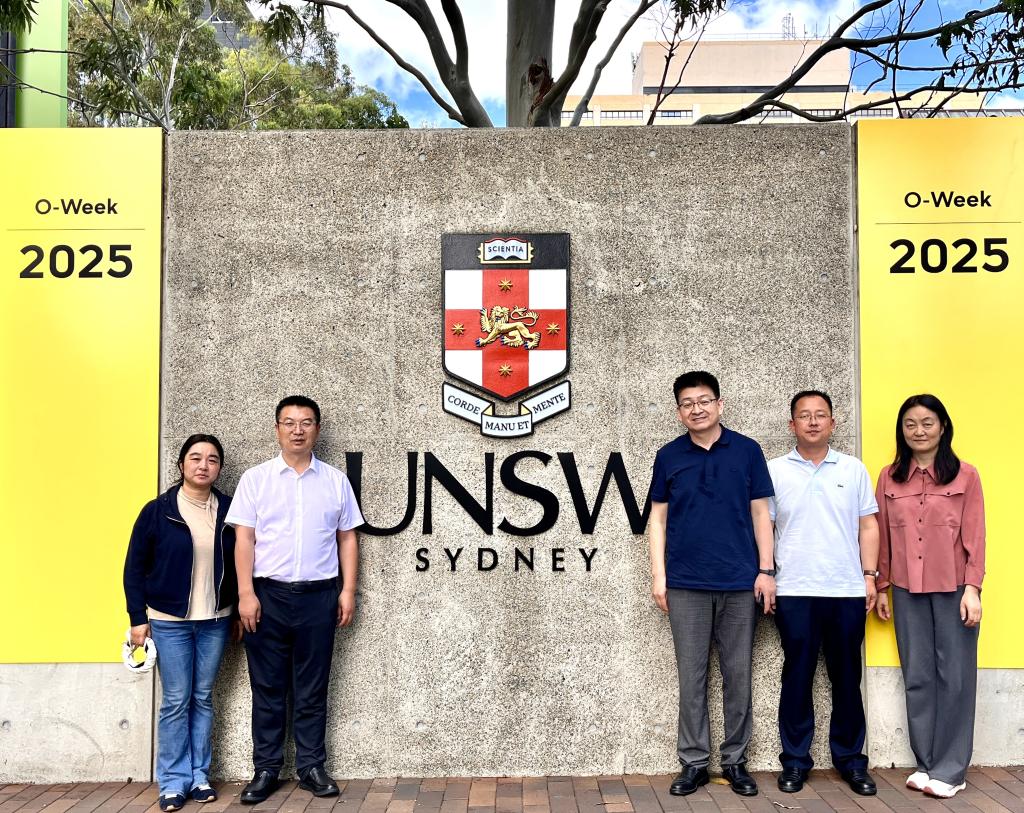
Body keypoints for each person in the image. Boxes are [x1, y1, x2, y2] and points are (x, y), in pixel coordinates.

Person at [228, 395, 363, 804]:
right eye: (289, 422)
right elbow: (244, 540)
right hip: (266, 596)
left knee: (312, 687)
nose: (297, 430)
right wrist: (246, 594)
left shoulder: (335, 481)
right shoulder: (256, 479)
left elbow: (347, 538)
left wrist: (347, 590)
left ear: (317, 430)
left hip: (319, 596)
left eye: (306, 423)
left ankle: (311, 767)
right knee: (267, 687)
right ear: (277, 429)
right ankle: (266, 768)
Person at [648, 371, 776, 797]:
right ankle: (694, 763)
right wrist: (659, 576)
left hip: (740, 582)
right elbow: (658, 520)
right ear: (679, 411)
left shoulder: (747, 451)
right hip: (685, 583)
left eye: (704, 400)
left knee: (738, 675)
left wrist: (766, 570)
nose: (696, 409)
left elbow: (761, 513)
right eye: (687, 403)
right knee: (692, 677)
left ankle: (735, 761)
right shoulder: (669, 456)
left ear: (719, 404)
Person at [767, 391, 879, 796]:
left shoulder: (853, 469)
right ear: (792, 424)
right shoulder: (774, 471)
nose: (812, 422)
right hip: (794, 589)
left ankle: (851, 761)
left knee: (846, 678)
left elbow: (869, 525)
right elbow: (764, 527)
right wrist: (767, 575)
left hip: (846, 589)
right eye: (804, 416)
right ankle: (795, 762)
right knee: (797, 676)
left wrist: (870, 577)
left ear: (833, 422)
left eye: (820, 415)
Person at [875, 394, 984, 799]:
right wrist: (882, 586)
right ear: (901, 430)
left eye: (927, 423)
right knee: (918, 676)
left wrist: (973, 589)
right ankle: (926, 762)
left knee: (954, 677)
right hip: (906, 589)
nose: (918, 431)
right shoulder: (889, 477)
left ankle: (952, 769)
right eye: (910, 424)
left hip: (954, 588)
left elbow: (976, 536)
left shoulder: (966, 476)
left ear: (942, 427)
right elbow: (882, 536)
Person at [123, 434, 238, 813]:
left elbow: (241, 563)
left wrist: (238, 610)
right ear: (181, 464)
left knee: (202, 698)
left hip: (215, 621)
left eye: (212, 459)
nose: (204, 465)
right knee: (176, 700)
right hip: (169, 622)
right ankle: (173, 781)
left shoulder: (230, 510)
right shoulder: (157, 511)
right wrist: (137, 619)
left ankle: (199, 775)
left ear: (219, 468)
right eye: (196, 458)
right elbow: (134, 568)